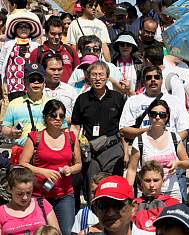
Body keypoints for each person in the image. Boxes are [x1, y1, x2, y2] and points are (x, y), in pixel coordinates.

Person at [19, 99, 81, 235]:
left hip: (64, 195)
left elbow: (79, 164)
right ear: (46, 117)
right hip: (39, 194)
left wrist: (70, 169)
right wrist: (43, 172)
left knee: (66, 232)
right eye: (53, 115)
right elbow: (22, 163)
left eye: (61, 116)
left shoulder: (71, 138)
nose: (58, 118)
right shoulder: (35, 138)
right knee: (40, 232)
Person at [71, 61, 126, 203]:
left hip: (113, 148)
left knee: (113, 190)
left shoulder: (117, 98)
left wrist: (126, 152)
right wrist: (74, 149)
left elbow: (124, 128)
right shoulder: (82, 99)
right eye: (94, 75)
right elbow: (75, 126)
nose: (97, 78)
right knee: (92, 191)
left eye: (101, 75)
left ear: (107, 76)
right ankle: (94, 221)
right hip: (90, 151)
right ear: (88, 77)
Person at [126, 99, 189, 201]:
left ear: (167, 117)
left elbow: (187, 163)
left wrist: (177, 164)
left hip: (171, 191)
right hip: (147, 192)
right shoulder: (140, 140)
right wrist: (128, 193)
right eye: (153, 114)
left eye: (162, 114)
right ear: (149, 115)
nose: (157, 117)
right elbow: (132, 169)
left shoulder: (174, 138)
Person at [0, 11, 41, 121]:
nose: (24, 29)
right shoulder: (8, 45)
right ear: (15, 29)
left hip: (28, 82)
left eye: (27, 27)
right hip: (11, 82)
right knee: (9, 105)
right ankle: (7, 131)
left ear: (31, 30)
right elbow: (2, 62)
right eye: (21, 27)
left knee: (26, 105)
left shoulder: (36, 45)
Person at [0, 167, 60, 234]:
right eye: (20, 194)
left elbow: (56, 232)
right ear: (10, 189)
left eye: (28, 192)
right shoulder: (1, 212)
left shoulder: (42, 204)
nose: (25, 197)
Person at [131, 160, 180, 234]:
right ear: (141, 182)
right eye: (147, 180)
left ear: (163, 181)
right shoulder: (133, 205)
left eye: (156, 180)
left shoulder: (173, 204)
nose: (151, 185)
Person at [29, 16, 80, 83]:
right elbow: (31, 76)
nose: (57, 37)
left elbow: (78, 74)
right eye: (53, 34)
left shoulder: (70, 51)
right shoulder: (37, 53)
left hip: (68, 92)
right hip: (45, 92)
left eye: (59, 34)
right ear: (46, 33)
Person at [41, 53, 78, 124]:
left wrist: (60, 121)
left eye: (59, 69)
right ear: (44, 69)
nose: (57, 73)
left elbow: (77, 117)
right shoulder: (38, 90)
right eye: (53, 69)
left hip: (65, 133)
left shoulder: (70, 90)